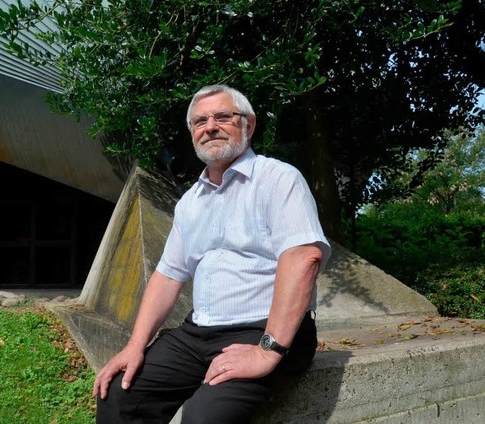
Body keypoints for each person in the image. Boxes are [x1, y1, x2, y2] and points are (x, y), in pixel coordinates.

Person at [93, 84, 330, 423]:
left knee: (204, 418)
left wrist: (267, 349)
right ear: (192, 133)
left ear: (248, 124)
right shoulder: (191, 202)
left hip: (264, 330)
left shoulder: (278, 179)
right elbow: (168, 274)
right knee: (119, 395)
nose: (210, 127)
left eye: (222, 116)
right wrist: (134, 346)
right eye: (200, 121)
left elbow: (304, 258)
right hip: (196, 334)